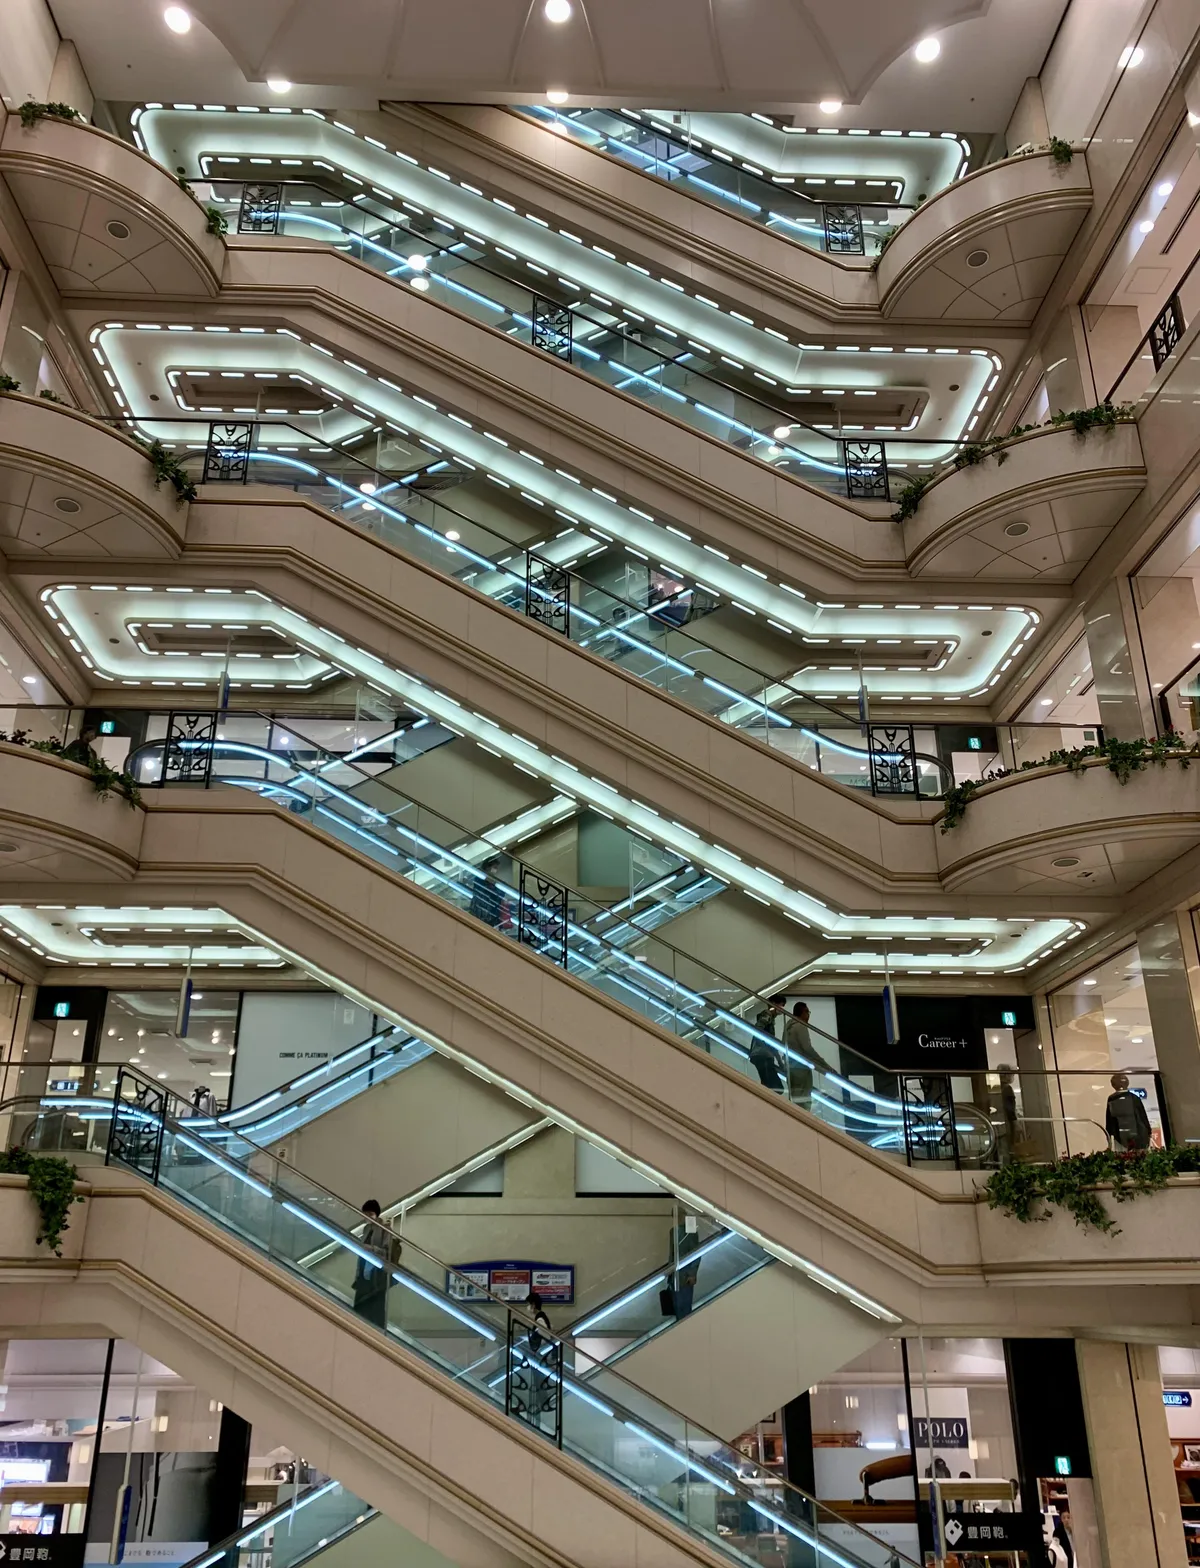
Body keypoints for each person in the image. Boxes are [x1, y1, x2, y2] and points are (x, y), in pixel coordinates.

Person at [352, 1199, 397, 1328]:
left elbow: (387, 1251)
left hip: (377, 1273)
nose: (367, 1217)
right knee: (361, 1304)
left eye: (370, 1214)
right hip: (364, 1272)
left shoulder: (384, 1229)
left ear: (376, 1214)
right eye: (365, 1214)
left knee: (376, 1305)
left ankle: (376, 1329)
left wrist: (370, 1248)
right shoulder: (366, 1229)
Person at [783, 1002, 827, 1108]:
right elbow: (807, 1049)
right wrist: (824, 1065)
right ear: (803, 1013)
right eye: (807, 1012)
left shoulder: (788, 1026)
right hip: (801, 1069)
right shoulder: (800, 1026)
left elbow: (783, 1046)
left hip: (790, 1069)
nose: (808, 1015)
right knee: (804, 1100)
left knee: (794, 1099)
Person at [1105, 1072, 1152, 1150]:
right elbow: (1142, 1116)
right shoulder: (1134, 1098)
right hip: (1138, 1134)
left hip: (1120, 1135)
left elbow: (1109, 1120)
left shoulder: (1112, 1099)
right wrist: (1148, 1131)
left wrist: (1109, 1134)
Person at [750, 994, 787, 1091]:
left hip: (764, 1055)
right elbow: (758, 1029)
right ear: (774, 1004)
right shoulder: (767, 1014)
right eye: (781, 1005)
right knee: (775, 1087)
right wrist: (764, 1047)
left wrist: (779, 1061)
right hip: (762, 1055)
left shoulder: (771, 1018)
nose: (782, 1008)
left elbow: (772, 1043)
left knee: (770, 1085)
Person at [671, 1216, 701, 1320]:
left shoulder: (690, 1231)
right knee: (677, 1306)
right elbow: (672, 1254)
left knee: (685, 1307)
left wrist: (692, 1273)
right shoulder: (673, 1231)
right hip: (675, 1276)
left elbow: (696, 1253)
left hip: (685, 1276)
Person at [468, 858, 507, 929]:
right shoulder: (479, 878)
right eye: (494, 867)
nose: (495, 870)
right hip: (480, 911)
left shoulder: (495, 882)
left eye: (496, 868)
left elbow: (499, 895)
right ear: (487, 867)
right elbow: (483, 891)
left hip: (491, 914)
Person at [994, 1064, 1021, 1165]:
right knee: (1006, 1149)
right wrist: (1015, 1123)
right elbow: (1010, 1109)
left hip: (996, 1124)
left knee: (1000, 1149)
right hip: (1006, 1123)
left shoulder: (993, 1088)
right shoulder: (1007, 1088)